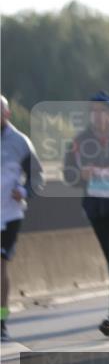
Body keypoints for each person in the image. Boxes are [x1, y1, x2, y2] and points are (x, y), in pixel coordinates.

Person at [62, 92, 109, 338]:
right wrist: (80, 174)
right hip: (96, 208)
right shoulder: (81, 140)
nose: (96, 115)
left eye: (101, 111)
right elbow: (68, 173)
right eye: (92, 111)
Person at [1, 95, 42, 342]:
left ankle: (1, 320)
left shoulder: (20, 142)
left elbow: (37, 177)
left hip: (9, 214)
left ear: (6, 114)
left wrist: (24, 191)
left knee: (0, 266)